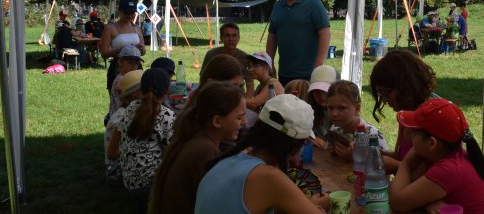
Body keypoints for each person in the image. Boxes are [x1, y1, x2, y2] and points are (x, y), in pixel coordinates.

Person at [194, 94, 330, 214]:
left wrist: (308, 204)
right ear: (294, 146)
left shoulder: (230, 160)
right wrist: (322, 205)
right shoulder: (270, 177)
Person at [390, 99, 484, 214]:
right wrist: (426, 202)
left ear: (432, 143)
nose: (411, 137)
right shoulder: (445, 155)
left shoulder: (449, 168)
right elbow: (411, 184)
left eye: (415, 133)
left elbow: (397, 202)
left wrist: (406, 162)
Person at [148, 81, 246, 214]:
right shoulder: (205, 151)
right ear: (217, 121)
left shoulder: (197, 140)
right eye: (239, 118)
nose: (245, 122)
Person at [107, 68, 175, 213]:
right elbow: (170, 156)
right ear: (167, 90)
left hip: (129, 178)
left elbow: (113, 151)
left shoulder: (131, 107)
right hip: (150, 183)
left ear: (141, 89)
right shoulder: (167, 116)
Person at [370, 50, 437, 173]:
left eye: (388, 92)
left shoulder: (433, 117)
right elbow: (399, 157)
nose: (384, 99)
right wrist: (368, 154)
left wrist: (397, 166)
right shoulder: (406, 115)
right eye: (381, 93)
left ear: (407, 85)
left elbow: (437, 175)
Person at [266, 0, 331, 85]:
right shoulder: (278, 6)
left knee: (306, 103)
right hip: (284, 72)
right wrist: (270, 63)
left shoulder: (313, 4)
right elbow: (272, 35)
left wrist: (318, 64)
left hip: (309, 72)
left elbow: (325, 33)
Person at [100, 0, 145, 114]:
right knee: (118, 102)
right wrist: (120, 49)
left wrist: (141, 48)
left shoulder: (137, 28)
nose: (129, 16)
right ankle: (115, 126)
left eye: (132, 13)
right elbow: (104, 53)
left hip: (136, 66)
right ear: (120, 11)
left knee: (137, 101)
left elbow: (144, 51)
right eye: (126, 13)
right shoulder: (111, 28)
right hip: (118, 67)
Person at [326, 80, 388, 161]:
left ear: (357, 108)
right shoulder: (335, 129)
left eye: (341, 108)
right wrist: (334, 151)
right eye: (330, 108)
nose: (334, 113)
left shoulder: (371, 135)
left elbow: (383, 166)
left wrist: (355, 158)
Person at [104, 69, 143, 185]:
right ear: (134, 93)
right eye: (146, 89)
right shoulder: (123, 118)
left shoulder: (128, 110)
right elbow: (112, 154)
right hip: (117, 169)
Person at [201, 22, 251, 91]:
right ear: (221, 38)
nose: (231, 39)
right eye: (227, 35)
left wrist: (245, 101)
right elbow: (203, 80)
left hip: (238, 95)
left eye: (234, 35)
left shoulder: (245, 57)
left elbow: (250, 87)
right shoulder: (211, 55)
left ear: (239, 38)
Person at [108, 46, 145, 119]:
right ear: (120, 62)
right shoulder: (121, 80)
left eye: (136, 63)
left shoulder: (129, 77)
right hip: (120, 118)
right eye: (130, 63)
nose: (134, 66)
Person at [307, 65, 337, 148]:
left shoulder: (343, 115)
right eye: (316, 91)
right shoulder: (307, 112)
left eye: (325, 91)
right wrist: (310, 138)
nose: (321, 95)